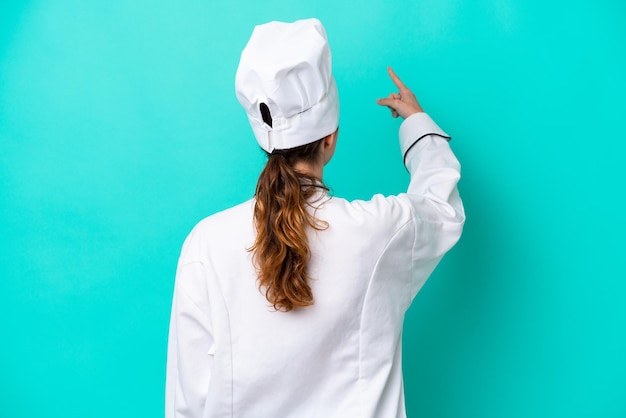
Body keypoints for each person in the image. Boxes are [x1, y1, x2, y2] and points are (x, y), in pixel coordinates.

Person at [166, 18, 465, 418]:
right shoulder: (379, 231)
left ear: (263, 139)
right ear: (330, 137)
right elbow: (441, 208)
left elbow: (187, 402)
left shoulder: (205, 243)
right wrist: (416, 124)